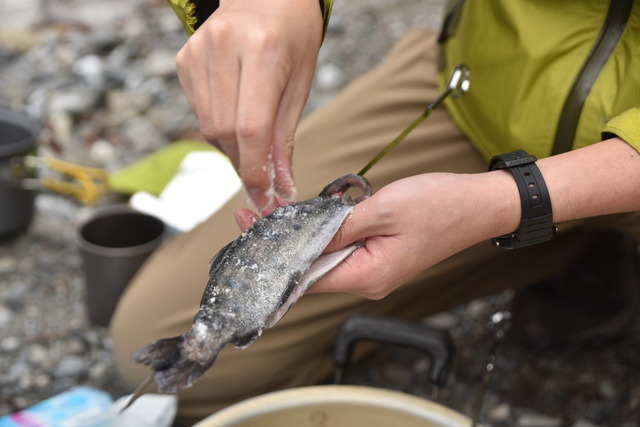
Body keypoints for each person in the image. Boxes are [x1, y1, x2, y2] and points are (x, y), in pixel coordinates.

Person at [110, 0, 640, 424]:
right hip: (488, 93)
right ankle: (575, 245)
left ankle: (585, 226)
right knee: (156, 334)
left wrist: (508, 201)